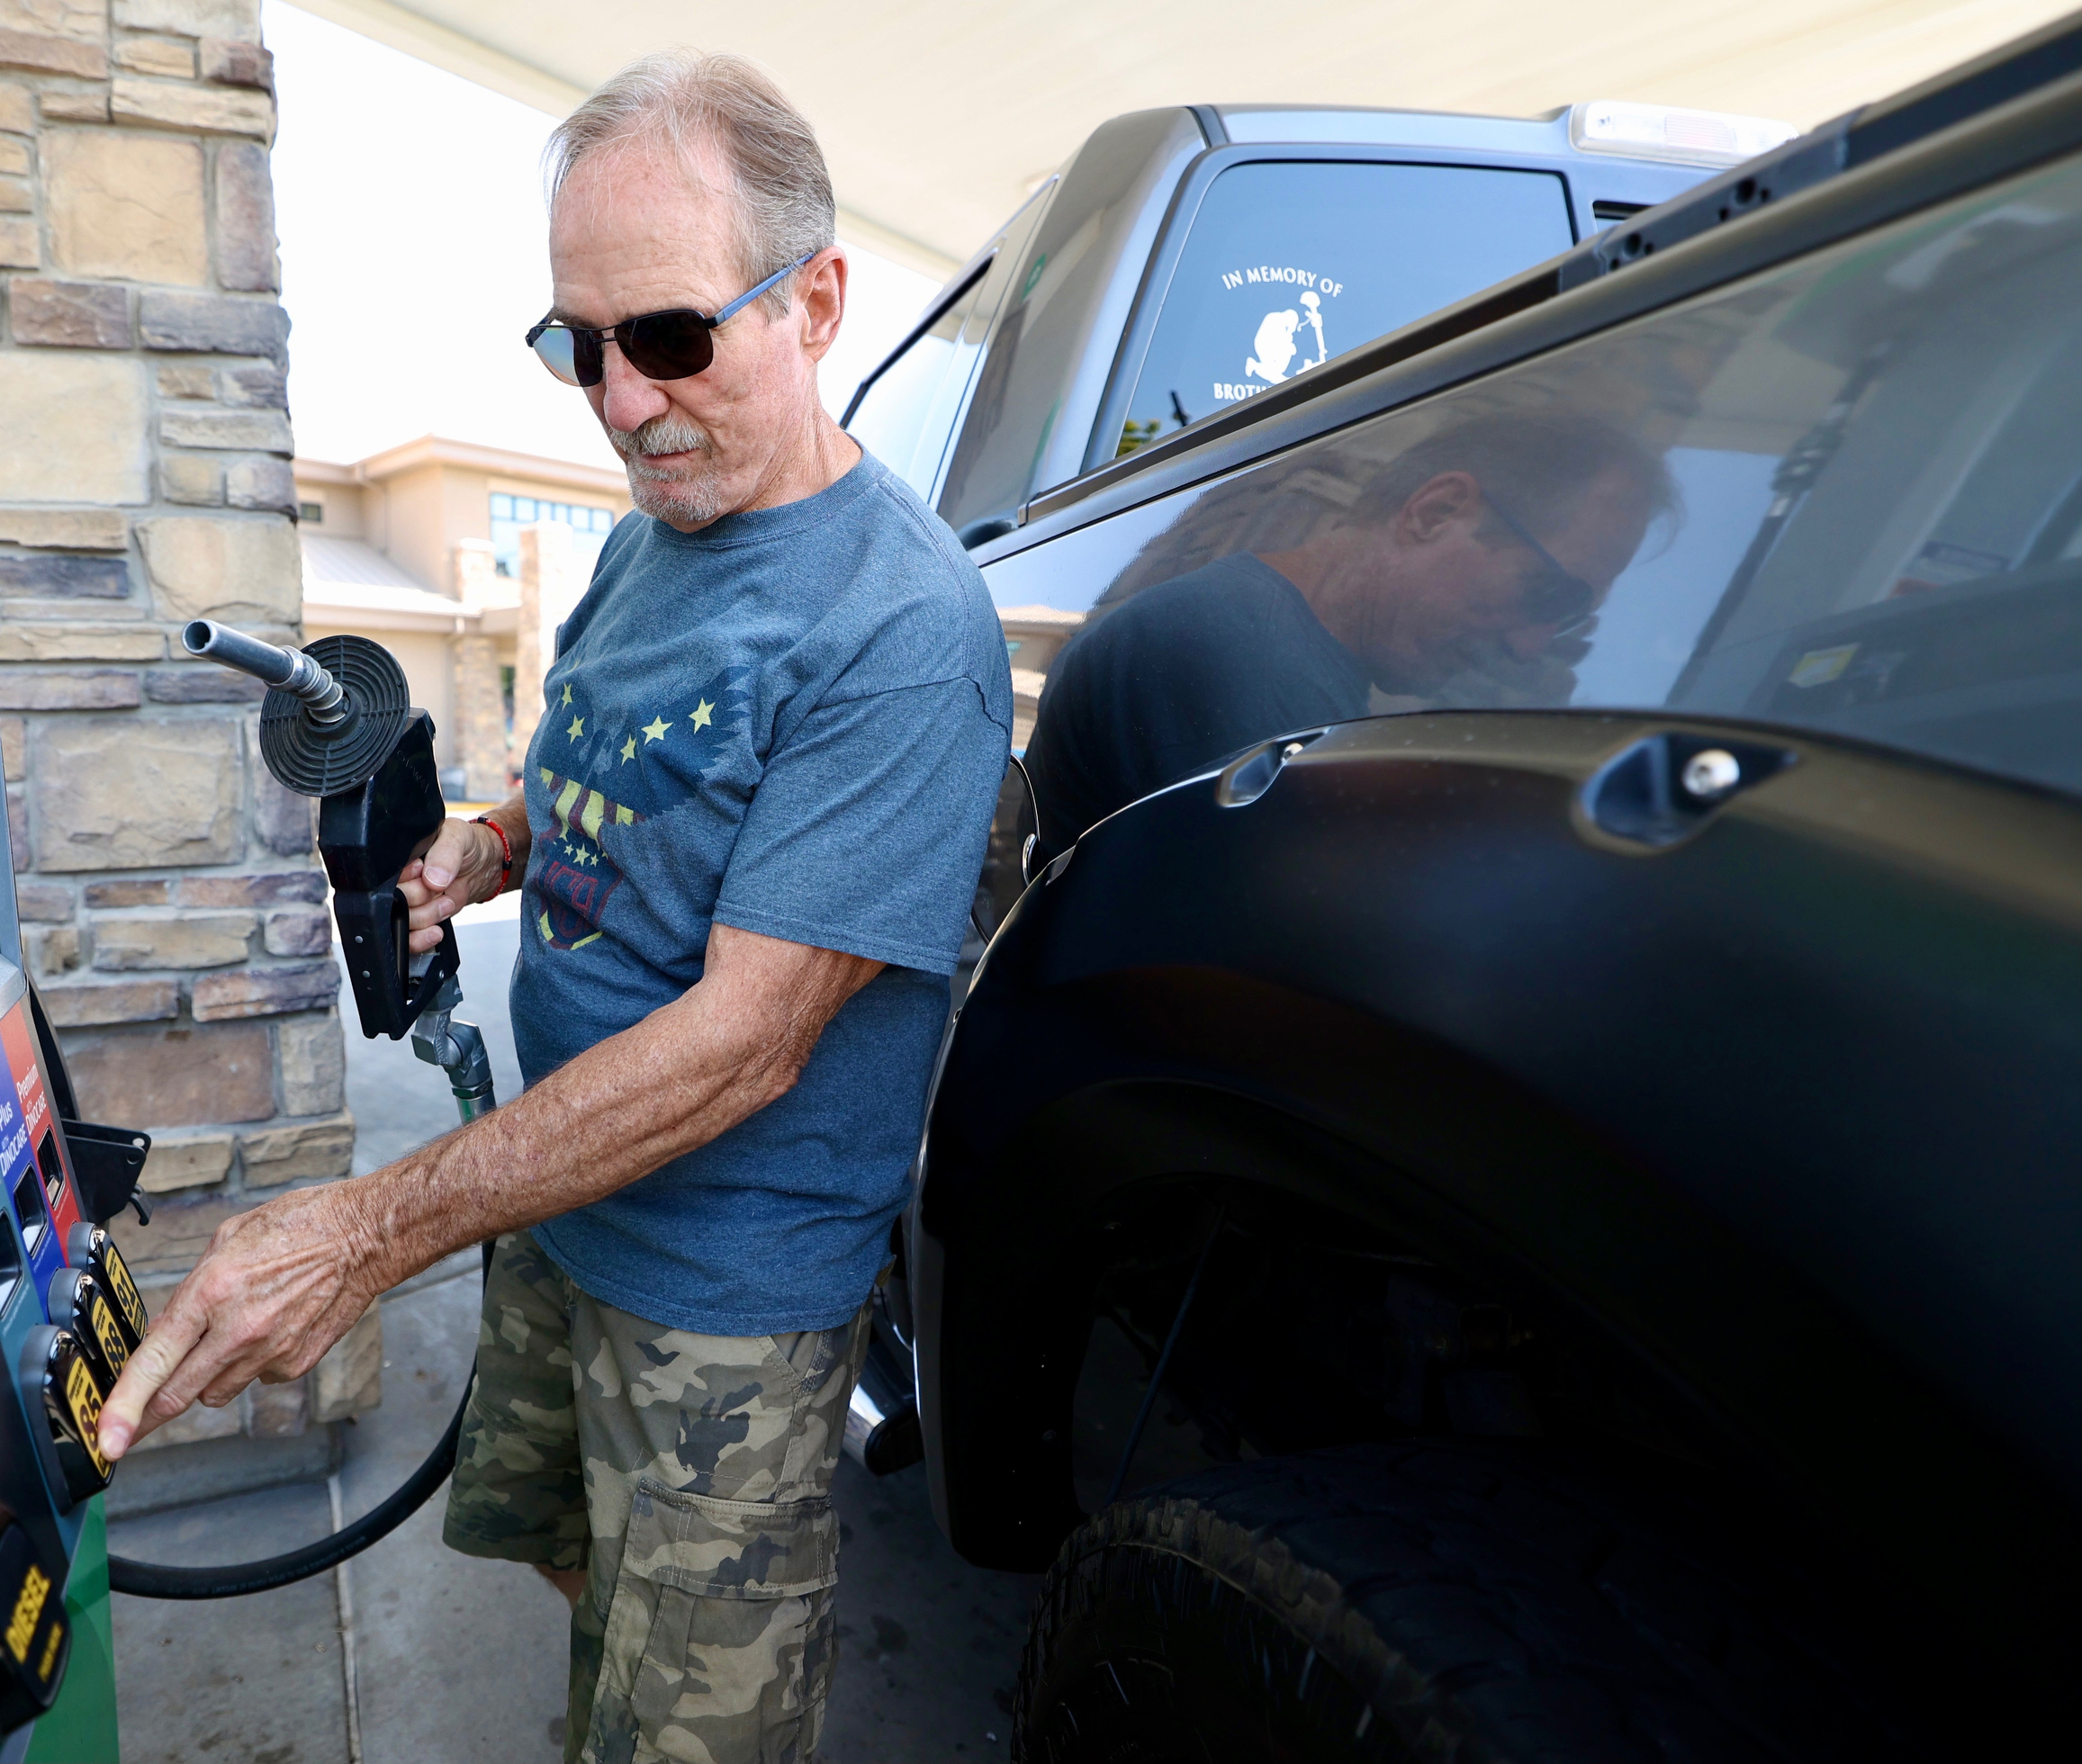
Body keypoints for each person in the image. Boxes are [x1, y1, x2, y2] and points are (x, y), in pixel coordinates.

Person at [95, 50, 1014, 1764]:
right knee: (574, 1564)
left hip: (723, 1289)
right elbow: (617, 772)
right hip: (558, 1201)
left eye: (665, 336)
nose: (619, 401)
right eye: (576, 345)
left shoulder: (901, 629)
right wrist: (492, 846)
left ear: (816, 302)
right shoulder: (650, 540)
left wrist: (369, 1232)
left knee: (702, 1727)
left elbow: (745, 1046)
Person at [1021, 412, 1672, 851]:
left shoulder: (1262, 635)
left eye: (1569, 620)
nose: (1530, 646)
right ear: (1436, 512)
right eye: (1546, 594)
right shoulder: (1250, 661)